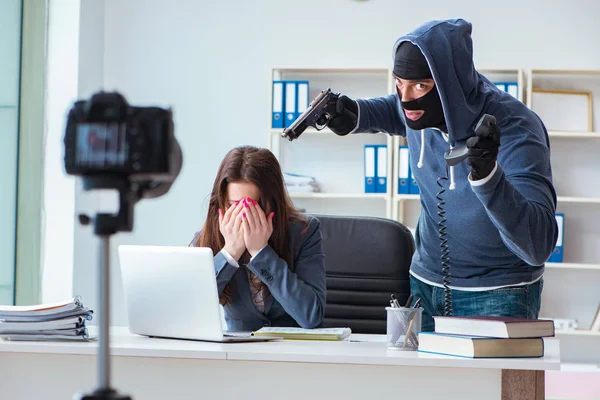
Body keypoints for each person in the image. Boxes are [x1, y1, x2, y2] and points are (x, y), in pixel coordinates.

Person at [320, 18, 558, 331]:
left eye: (420, 85)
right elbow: (397, 109)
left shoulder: (517, 128)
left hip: (498, 293)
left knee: (491, 384)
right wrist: (357, 115)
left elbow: (538, 245)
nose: (408, 98)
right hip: (425, 284)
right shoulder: (416, 107)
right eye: (400, 82)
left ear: (450, 82)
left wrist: (489, 178)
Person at [190, 145, 326, 331]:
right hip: (237, 354)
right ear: (222, 202)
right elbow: (191, 310)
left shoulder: (304, 232)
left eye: (255, 206)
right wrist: (230, 253)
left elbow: (311, 316)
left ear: (273, 202)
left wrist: (261, 253)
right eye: (235, 205)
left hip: (293, 352)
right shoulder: (208, 237)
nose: (245, 214)